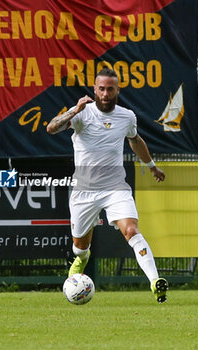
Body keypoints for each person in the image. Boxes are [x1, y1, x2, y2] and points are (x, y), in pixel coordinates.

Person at [47, 67, 168, 303]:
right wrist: (75, 110)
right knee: (80, 246)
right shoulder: (82, 113)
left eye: (109, 89)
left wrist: (152, 166)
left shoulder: (127, 116)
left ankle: (156, 282)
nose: (104, 93)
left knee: (131, 230)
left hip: (115, 188)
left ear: (117, 90)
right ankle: (81, 259)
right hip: (83, 190)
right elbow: (51, 128)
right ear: (94, 89)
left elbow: (135, 140)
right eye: (101, 89)